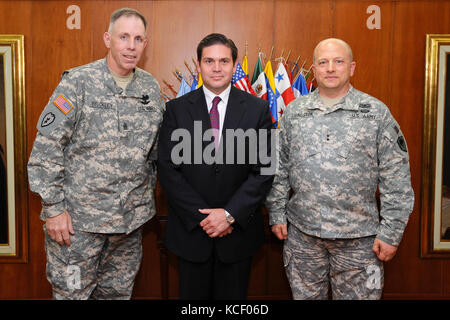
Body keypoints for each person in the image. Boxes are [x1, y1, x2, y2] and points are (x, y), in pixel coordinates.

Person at [27, 8, 164, 300]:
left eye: (138, 39)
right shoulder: (78, 83)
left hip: (128, 226)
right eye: (123, 36)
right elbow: (46, 147)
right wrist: (53, 209)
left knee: (118, 294)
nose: (131, 45)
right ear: (108, 39)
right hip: (77, 226)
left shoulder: (150, 89)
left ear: (145, 43)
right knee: (72, 294)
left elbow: (155, 154)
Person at [265, 38, 414, 300]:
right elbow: (279, 165)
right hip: (303, 237)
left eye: (338, 61)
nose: (330, 68)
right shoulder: (294, 112)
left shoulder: (375, 113)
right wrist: (276, 212)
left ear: (352, 67)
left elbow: (396, 178)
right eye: (323, 62)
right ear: (314, 69)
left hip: (360, 242)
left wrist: (391, 232)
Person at [157, 33, 274, 299]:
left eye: (224, 61)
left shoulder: (257, 109)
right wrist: (204, 218)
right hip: (191, 233)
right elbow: (167, 168)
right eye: (209, 61)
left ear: (234, 65)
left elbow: (265, 169)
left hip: (238, 235)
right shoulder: (175, 109)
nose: (217, 68)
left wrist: (229, 214)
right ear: (198, 65)